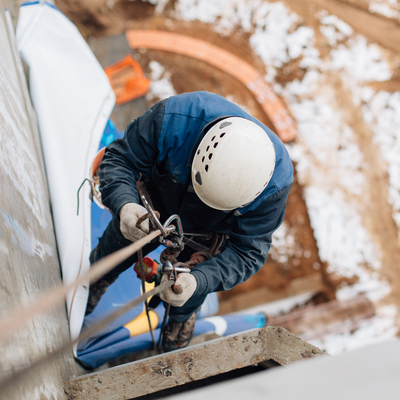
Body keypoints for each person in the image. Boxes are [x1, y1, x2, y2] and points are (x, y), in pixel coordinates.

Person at [87, 91, 293, 351]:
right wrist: (126, 205)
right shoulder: (175, 120)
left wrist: (198, 281)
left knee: (187, 288)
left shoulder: (272, 189)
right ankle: (95, 282)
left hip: (210, 232)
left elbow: (247, 253)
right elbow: (119, 159)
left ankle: (177, 331)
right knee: (117, 246)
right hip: (157, 195)